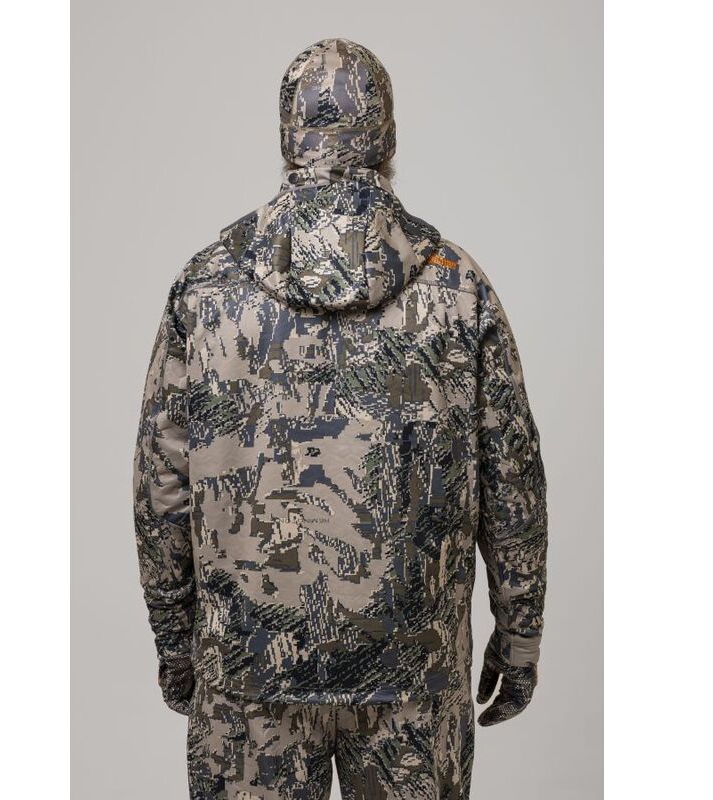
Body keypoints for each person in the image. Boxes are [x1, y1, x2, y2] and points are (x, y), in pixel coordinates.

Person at [133, 37, 547, 800]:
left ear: (287, 137)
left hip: (249, 674)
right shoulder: (457, 289)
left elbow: (162, 487)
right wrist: (518, 636)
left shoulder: (207, 288)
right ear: (388, 139)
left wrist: (176, 642)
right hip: (414, 680)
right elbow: (512, 480)